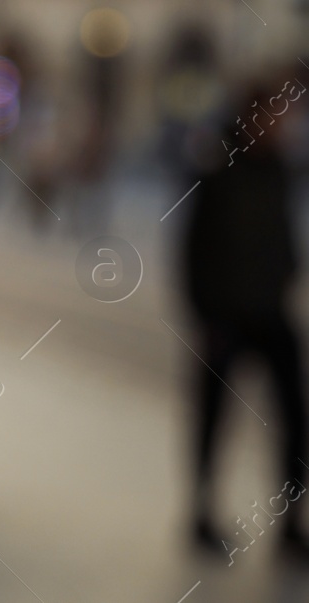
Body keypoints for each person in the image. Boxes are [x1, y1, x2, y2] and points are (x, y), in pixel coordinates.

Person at [181, 86, 309, 559]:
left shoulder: (279, 168)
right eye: (275, 115)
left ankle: (291, 521)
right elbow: (192, 247)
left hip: (271, 311)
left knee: (296, 417)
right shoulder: (217, 167)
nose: (282, 124)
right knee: (214, 419)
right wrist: (203, 313)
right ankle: (201, 511)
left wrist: (288, 271)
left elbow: (283, 232)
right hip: (224, 316)